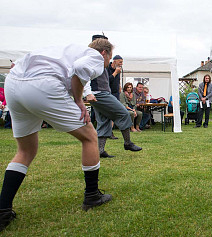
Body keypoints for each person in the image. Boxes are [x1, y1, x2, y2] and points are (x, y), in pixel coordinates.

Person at [0, 39, 114, 232]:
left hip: (14, 83)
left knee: (26, 150)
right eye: (110, 58)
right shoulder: (94, 56)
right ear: (104, 53)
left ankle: (2, 211)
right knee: (89, 136)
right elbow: (79, 68)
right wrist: (78, 101)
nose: (108, 63)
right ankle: (92, 195)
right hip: (43, 85)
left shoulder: (64, 49)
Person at [85, 37, 142, 159]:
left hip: (99, 94)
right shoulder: (93, 62)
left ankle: (100, 151)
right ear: (103, 53)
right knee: (124, 113)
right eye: (110, 57)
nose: (110, 60)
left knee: (104, 121)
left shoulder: (98, 63)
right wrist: (87, 93)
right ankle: (127, 143)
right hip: (100, 94)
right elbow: (83, 76)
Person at [107, 55, 124, 140]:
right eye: (120, 62)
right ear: (114, 61)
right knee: (107, 114)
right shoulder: (106, 68)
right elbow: (107, 81)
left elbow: (116, 81)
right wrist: (115, 73)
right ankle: (107, 132)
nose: (121, 64)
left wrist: (119, 86)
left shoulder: (118, 70)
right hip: (108, 94)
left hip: (116, 93)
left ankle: (110, 132)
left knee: (114, 113)